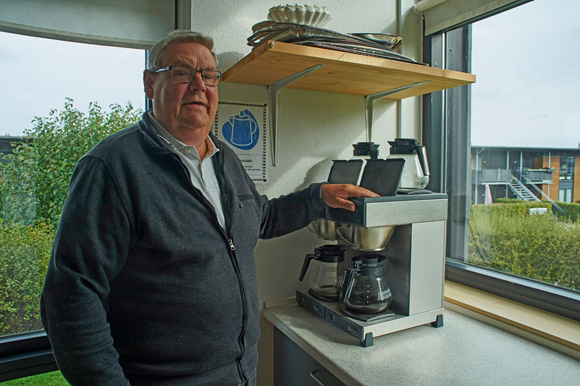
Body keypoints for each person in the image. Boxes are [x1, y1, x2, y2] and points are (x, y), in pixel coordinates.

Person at [40, 30, 378, 386]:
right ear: (150, 83)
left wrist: (317, 197)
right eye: (182, 72)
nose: (199, 84)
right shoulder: (112, 167)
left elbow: (260, 218)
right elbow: (71, 295)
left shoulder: (223, 157)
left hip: (241, 373)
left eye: (210, 75)